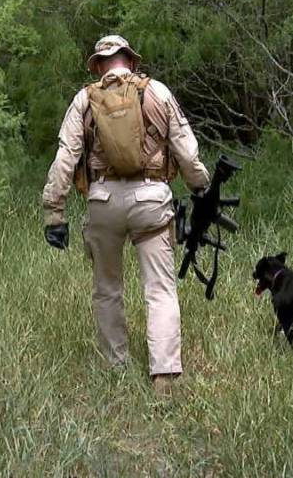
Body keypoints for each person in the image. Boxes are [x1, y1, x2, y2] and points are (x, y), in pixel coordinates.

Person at [42, 35, 209, 395]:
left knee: (107, 291)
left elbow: (64, 159)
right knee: (161, 290)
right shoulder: (158, 93)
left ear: (100, 65)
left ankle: (116, 369)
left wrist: (54, 212)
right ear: (131, 62)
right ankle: (164, 375)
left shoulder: (84, 100)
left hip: (102, 202)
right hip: (151, 200)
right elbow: (187, 152)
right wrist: (201, 188)